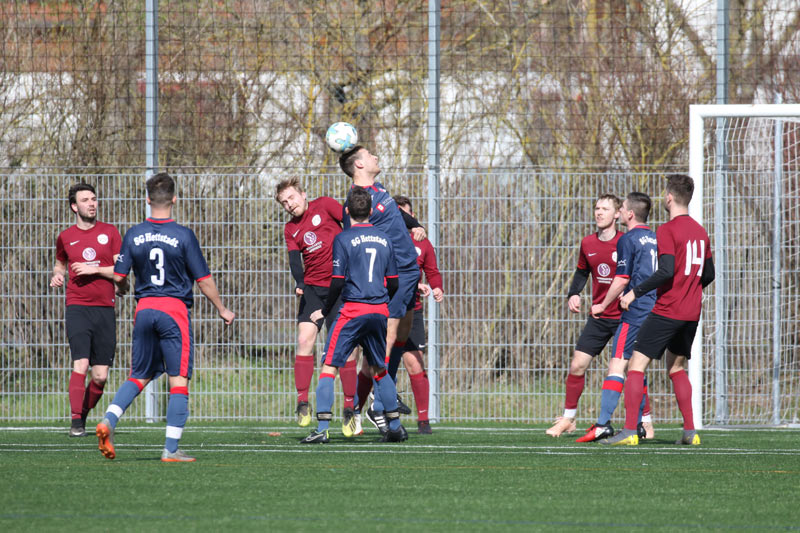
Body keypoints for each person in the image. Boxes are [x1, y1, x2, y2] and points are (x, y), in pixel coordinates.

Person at [96, 172, 235, 462]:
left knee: (140, 374)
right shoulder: (183, 235)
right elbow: (204, 280)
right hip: (173, 311)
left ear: (147, 200)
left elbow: (119, 276)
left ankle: (109, 419)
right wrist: (222, 308)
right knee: (178, 379)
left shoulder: (134, 233)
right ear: (175, 199)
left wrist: (122, 288)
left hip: (144, 310)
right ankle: (171, 449)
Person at [603, 174, 714, 446]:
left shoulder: (666, 229)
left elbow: (665, 271)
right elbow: (709, 274)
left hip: (667, 309)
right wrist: (689, 288)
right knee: (676, 368)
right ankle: (690, 432)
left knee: (635, 366)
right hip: (691, 313)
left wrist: (635, 292)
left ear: (669, 198)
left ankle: (630, 431)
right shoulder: (700, 232)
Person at [300, 187, 408, 443]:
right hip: (379, 311)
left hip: (352, 311)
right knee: (380, 369)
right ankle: (394, 426)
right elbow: (394, 282)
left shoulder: (343, 238)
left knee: (329, 366)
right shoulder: (385, 239)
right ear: (371, 211)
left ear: (347, 211)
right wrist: (381, 301)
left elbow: (337, 281)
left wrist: (325, 310)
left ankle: (322, 428)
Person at [338, 146, 423, 432]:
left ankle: (372, 402)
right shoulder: (357, 200)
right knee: (385, 341)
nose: (375, 156)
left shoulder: (379, 188)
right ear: (359, 164)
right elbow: (351, 240)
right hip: (392, 274)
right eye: (369, 154)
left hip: (410, 271)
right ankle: (377, 405)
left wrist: (416, 225)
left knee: (401, 335)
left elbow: (397, 215)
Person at [276, 178, 360, 435]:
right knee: (304, 339)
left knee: (346, 350)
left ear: (303, 194)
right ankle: (303, 402)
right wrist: (300, 282)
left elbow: (350, 223)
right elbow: (294, 259)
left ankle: (350, 408)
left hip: (340, 287)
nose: (289, 204)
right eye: (284, 203)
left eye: (291, 198)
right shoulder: (290, 229)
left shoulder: (325, 205)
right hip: (313, 290)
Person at [576, 192, 657, 442]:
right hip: (657, 311)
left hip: (635, 312)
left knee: (617, 366)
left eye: (620, 208)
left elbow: (621, 279)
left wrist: (602, 304)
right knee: (637, 368)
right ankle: (642, 425)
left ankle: (603, 424)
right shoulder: (656, 238)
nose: (619, 212)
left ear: (629, 214)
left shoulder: (627, 239)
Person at [546, 194, 623, 437]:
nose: (599, 212)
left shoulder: (626, 242)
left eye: (605, 209)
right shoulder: (588, 243)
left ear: (617, 214)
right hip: (599, 316)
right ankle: (568, 419)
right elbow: (582, 272)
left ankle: (645, 422)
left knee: (630, 370)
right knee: (577, 364)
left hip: (626, 316)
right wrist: (574, 293)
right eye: (597, 208)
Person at [50, 183, 122, 437]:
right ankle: (76, 423)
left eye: (93, 199)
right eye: (85, 200)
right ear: (74, 206)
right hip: (77, 306)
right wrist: (58, 275)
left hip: (105, 308)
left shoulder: (110, 232)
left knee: (100, 376)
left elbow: (120, 270)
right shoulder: (65, 236)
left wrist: (95, 270)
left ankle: (82, 412)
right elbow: (60, 263)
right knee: (80, 363)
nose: (92, 203)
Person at [393, 194, 443, 435]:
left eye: (406, 215)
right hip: (386, 311)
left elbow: (432, 270)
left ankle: (423, 420)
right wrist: (415, 285)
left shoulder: (422, 243)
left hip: (412, 311)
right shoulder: (385, 239)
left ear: (412, 217)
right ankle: (362, 414)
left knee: (414, 363)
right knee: (376, 365)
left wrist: (436, 287)